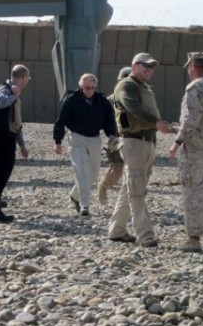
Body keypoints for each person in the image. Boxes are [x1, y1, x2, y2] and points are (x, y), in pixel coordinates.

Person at [107, 53, 172, 247]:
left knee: (131, 187)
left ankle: (116, 231)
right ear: (134, 65)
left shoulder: (143, 87)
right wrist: (157, 122)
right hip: (134, 142)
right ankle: (145, 235)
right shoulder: (126, 85)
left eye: (152, 67)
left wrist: (159, 126)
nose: (149, 70)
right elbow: (133, 107)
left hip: (146, 142)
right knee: (137, 190)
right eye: (146, 66)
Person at [167, 52, 203, 253]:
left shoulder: (195, 88)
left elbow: (191, 119)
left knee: (193, 190)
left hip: (195, 150)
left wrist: (177, 142)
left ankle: (193, 238)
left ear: (192, 66)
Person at [53, 73, 118, 216]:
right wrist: (58, 142)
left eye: (92, 87)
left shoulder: (102, 101)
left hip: (95, 138)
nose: (89, 90)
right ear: (81, 87)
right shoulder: (71, 100)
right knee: (81, 170)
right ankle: (85, 206)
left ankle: (75, 195)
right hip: (76, 138)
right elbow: (61, 121)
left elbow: (109, 120)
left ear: (95, 87)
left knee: (93, 174)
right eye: (86, 87)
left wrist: (112, 135)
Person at [0, 64, 31, 222]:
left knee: (1, 174)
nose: (27, 82)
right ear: (23, 78)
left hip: (7, 138)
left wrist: (22, 145)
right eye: (27, 79)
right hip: (0, 140)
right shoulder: (6, 89)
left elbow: (15, 122)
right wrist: (14, 96)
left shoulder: (14, 91)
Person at [97, 66, 131, 205]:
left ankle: (130, 200)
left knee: (135, 172)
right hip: (117, 139)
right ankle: (103, 187)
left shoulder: (138, 98)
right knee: (117, 170)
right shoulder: (111, 100)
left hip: (134, 139)